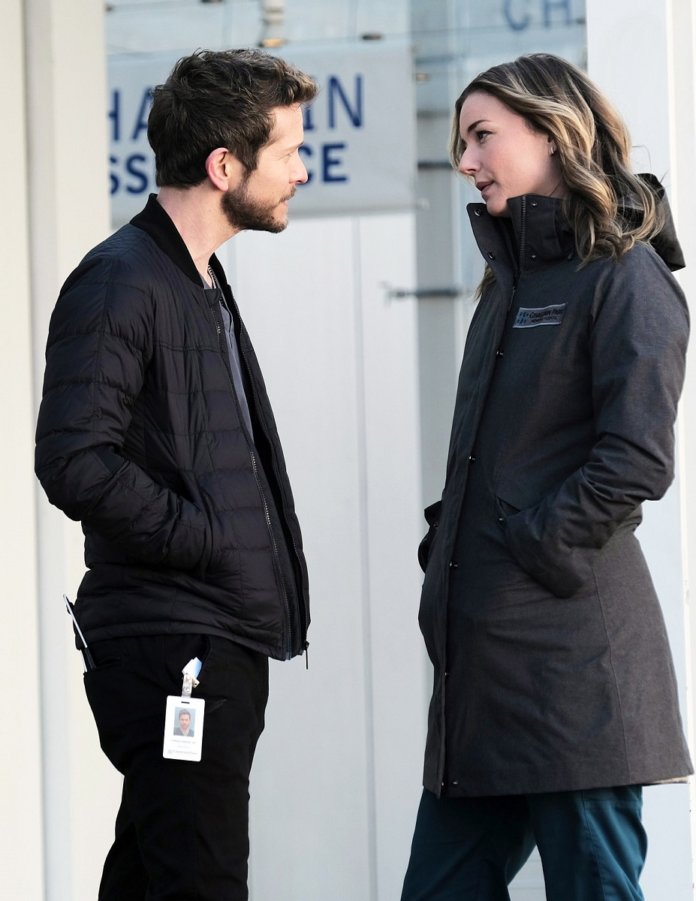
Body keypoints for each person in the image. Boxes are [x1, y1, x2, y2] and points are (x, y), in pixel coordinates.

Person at [401, 53, 693, 901]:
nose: (467, 162)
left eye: (482, 137)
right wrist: (450, 550)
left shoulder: (625, 276)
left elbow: (635, 457)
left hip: (574, 677)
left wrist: (528, 546)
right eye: (462, 145)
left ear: (554, 133)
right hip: (481, 685)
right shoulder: (504, 288)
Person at [35, 49, 317, 901]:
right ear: (224, 166)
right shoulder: (121, 280)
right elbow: (73, 459)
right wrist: (204, 537)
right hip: (176, 649)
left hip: (204, 640)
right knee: (198, 881)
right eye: (288, 152)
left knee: (153, 876)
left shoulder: (195, 279)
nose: (300, 171)